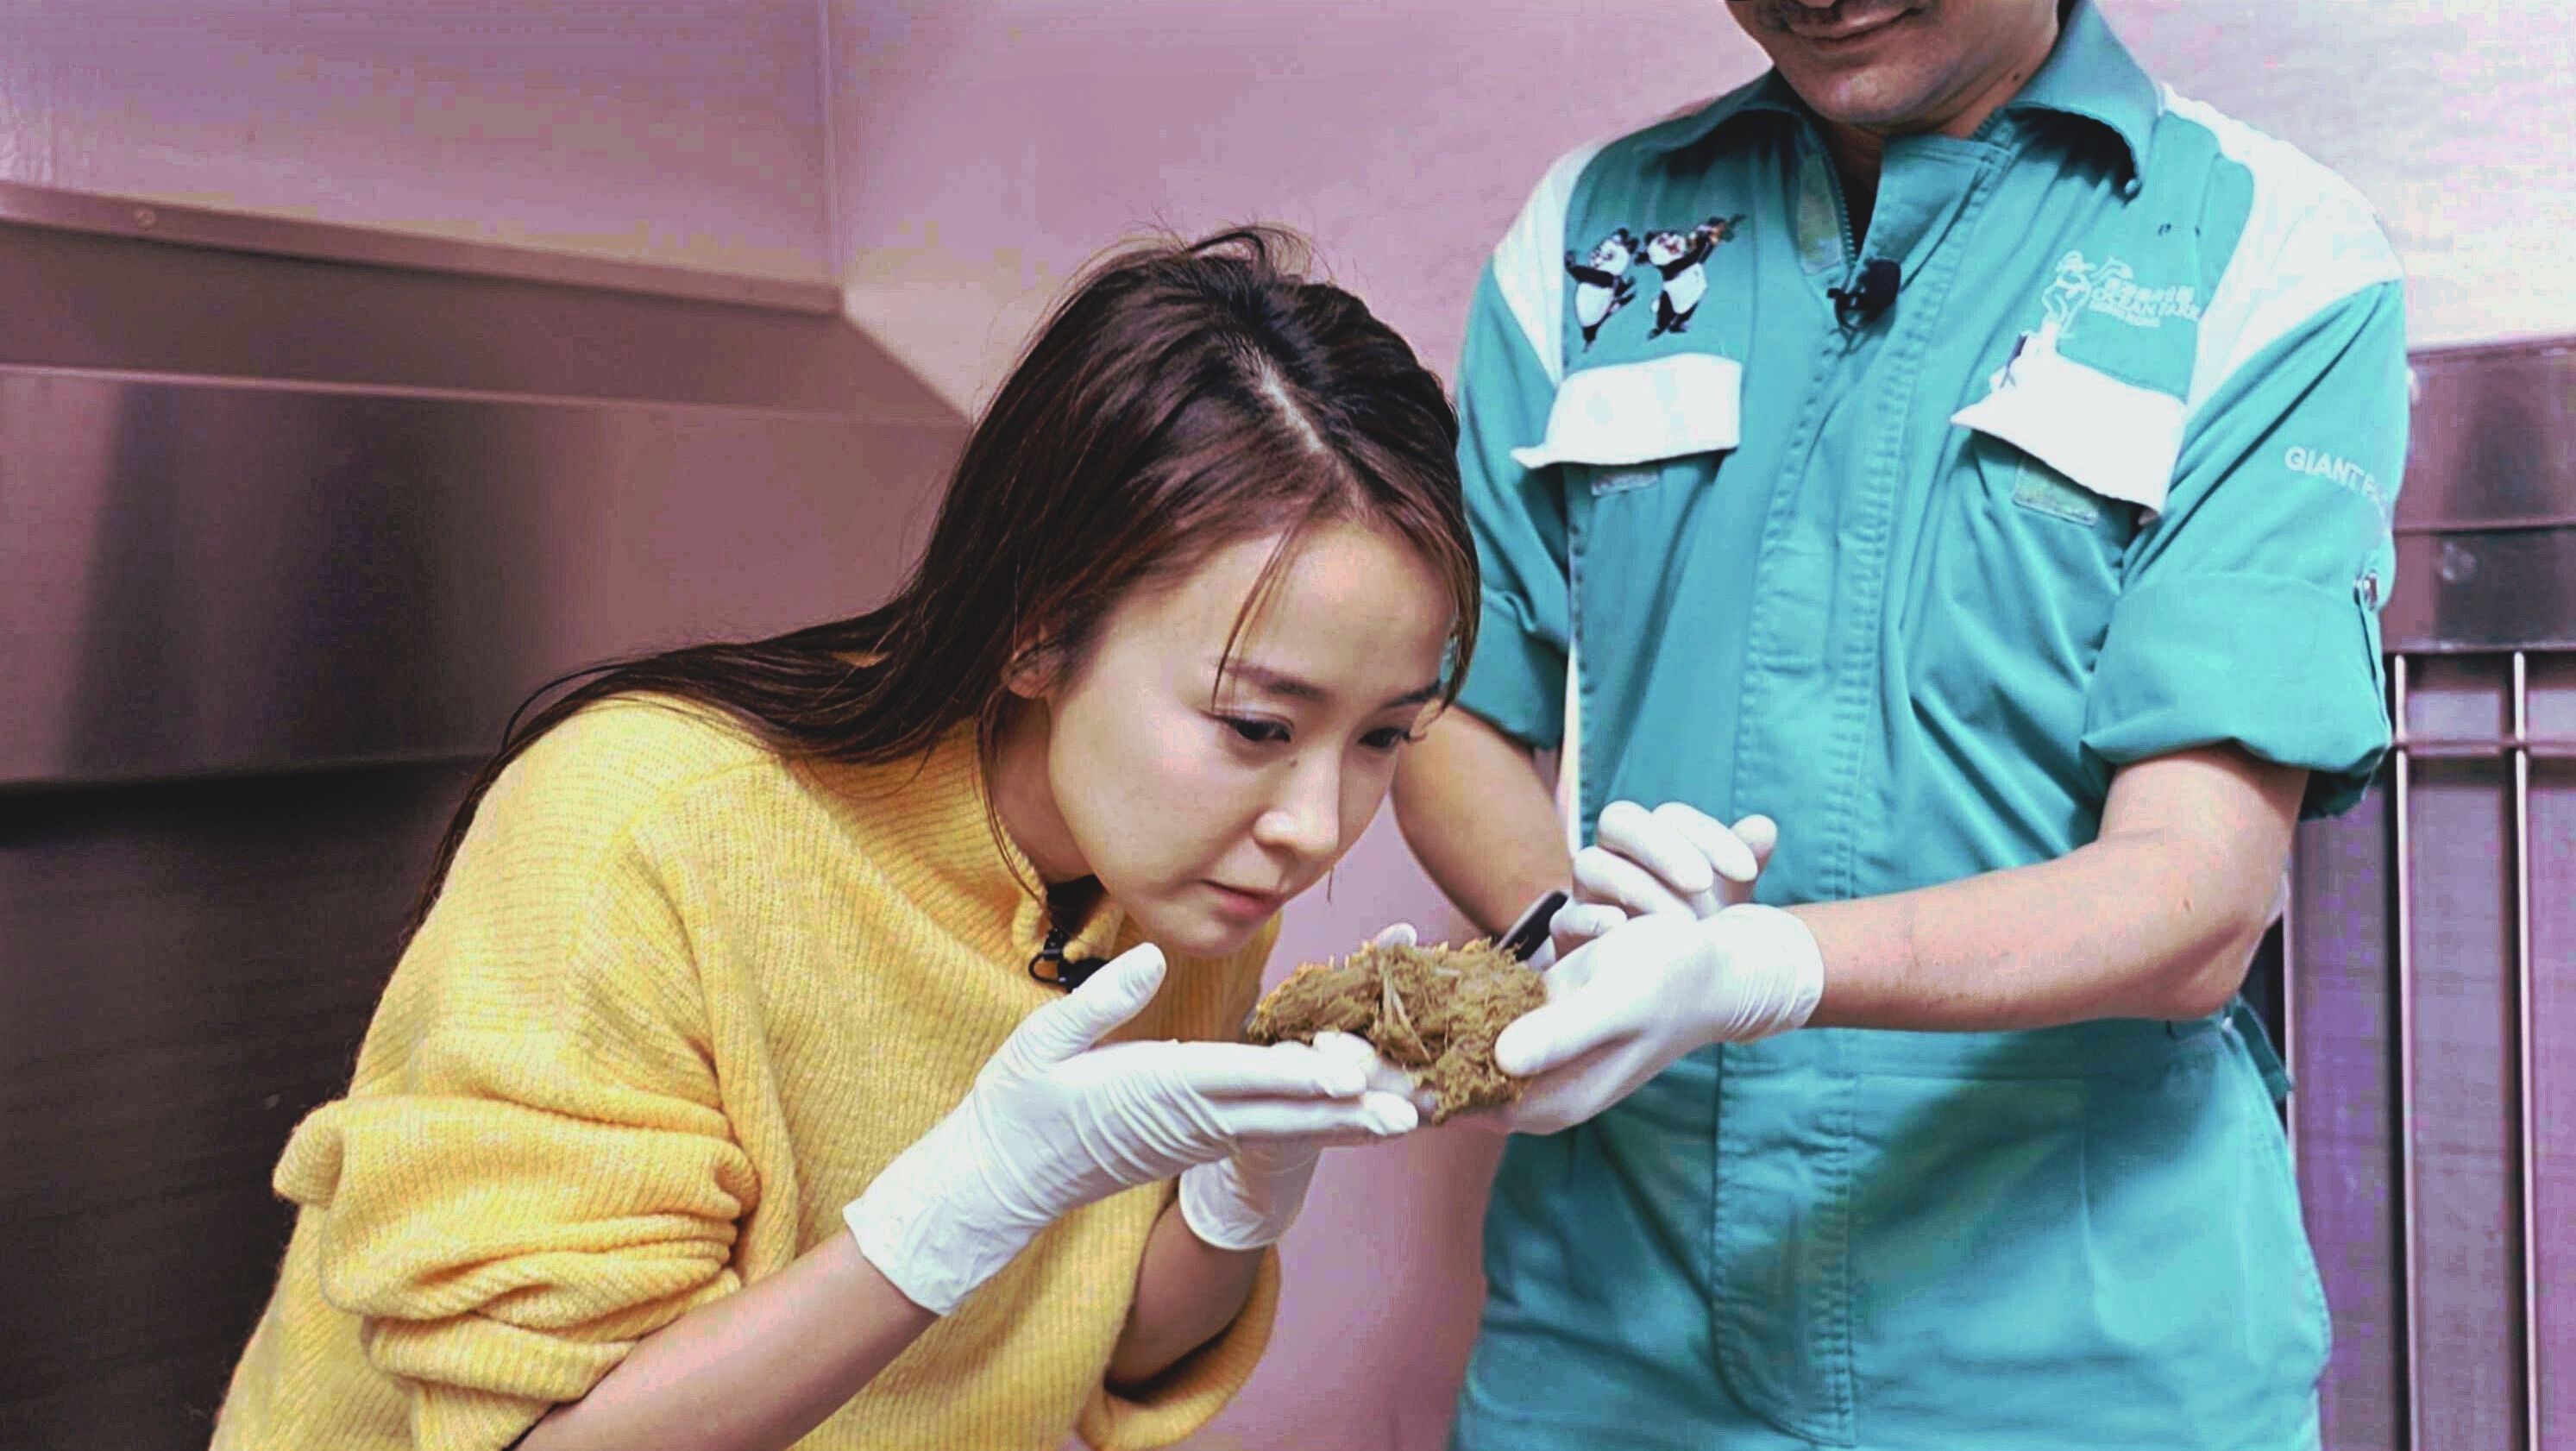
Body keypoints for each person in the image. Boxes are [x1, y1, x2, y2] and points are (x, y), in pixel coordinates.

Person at [211, 228, 1478, 1451]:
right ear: (1039, 626)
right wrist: (959, 1206)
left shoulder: (1186, 880)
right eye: (1257, 725)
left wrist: (1244, 1188)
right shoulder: (645, 827)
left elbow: (1118, 1351)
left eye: (1383, 736)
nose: (1316, 829)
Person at [1395, 1, 2406, 1447]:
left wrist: (1760, 964)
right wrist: (1583, 954)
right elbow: (1443, 708)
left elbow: (2196, 895)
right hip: (1608, 1340)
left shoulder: (2269, 258)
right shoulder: (1586, 239)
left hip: (2077, 1359)